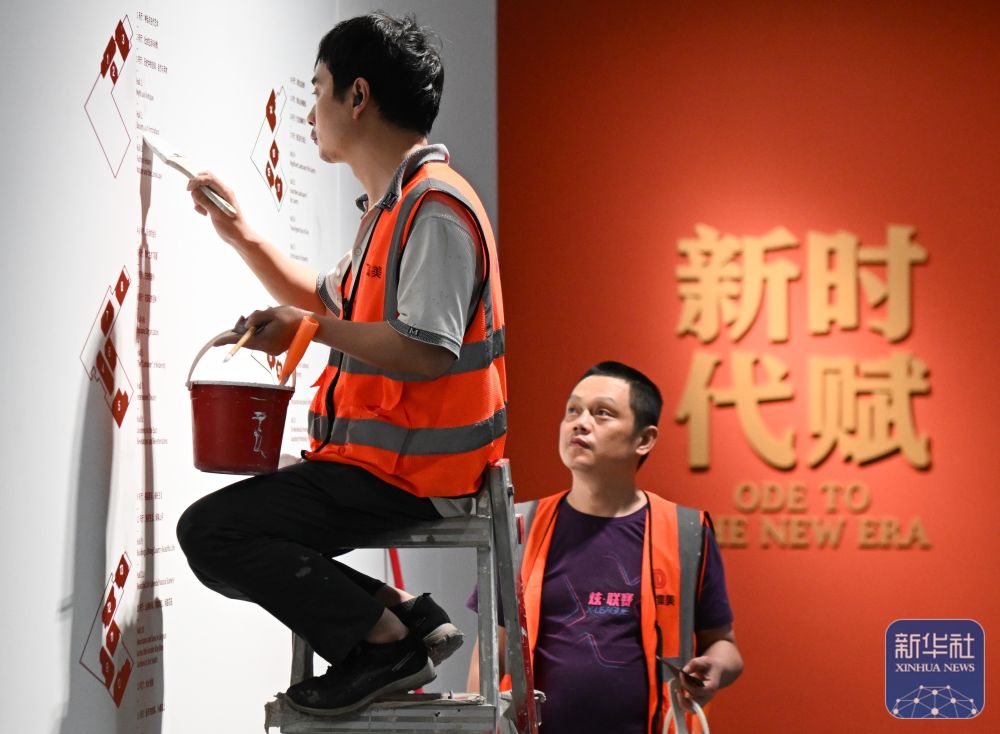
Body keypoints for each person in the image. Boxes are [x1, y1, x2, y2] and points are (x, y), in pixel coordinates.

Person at [175, 12, 506, 716]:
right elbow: (322, 297)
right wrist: (240, 235)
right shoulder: (392, 210)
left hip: (416, 474)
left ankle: (386, 642)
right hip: (380, 465)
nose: (309, 112)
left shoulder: (435, 208)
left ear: (358, 97)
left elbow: (426, 350)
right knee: (227, 530)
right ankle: (402, 615)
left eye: (317, 89)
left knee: (213, 532)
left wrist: (310, 328)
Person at [468, 362, 742, 734]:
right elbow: (491, 651)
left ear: (644, 440)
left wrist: (717, 667)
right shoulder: (520, 526)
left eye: (602, 413)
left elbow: (723, 644)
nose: (580, 423)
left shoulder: (686, 531)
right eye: (573, 410)